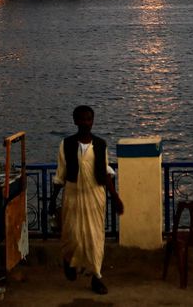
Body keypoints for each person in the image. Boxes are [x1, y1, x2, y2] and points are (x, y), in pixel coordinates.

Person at [52, 105, 124, 295]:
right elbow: (61, 175)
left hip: (95, 196)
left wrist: (115, 196)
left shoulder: (100, 145)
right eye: (82, 119)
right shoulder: (66, 144)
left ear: (93, 121)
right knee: (72, 237)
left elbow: (106, 172)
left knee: (95, 238)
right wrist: (52, 200)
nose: (85, 123)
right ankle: (69, 261)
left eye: (88, 119)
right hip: (73, 196)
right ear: (75, 121)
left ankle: (96, 277)